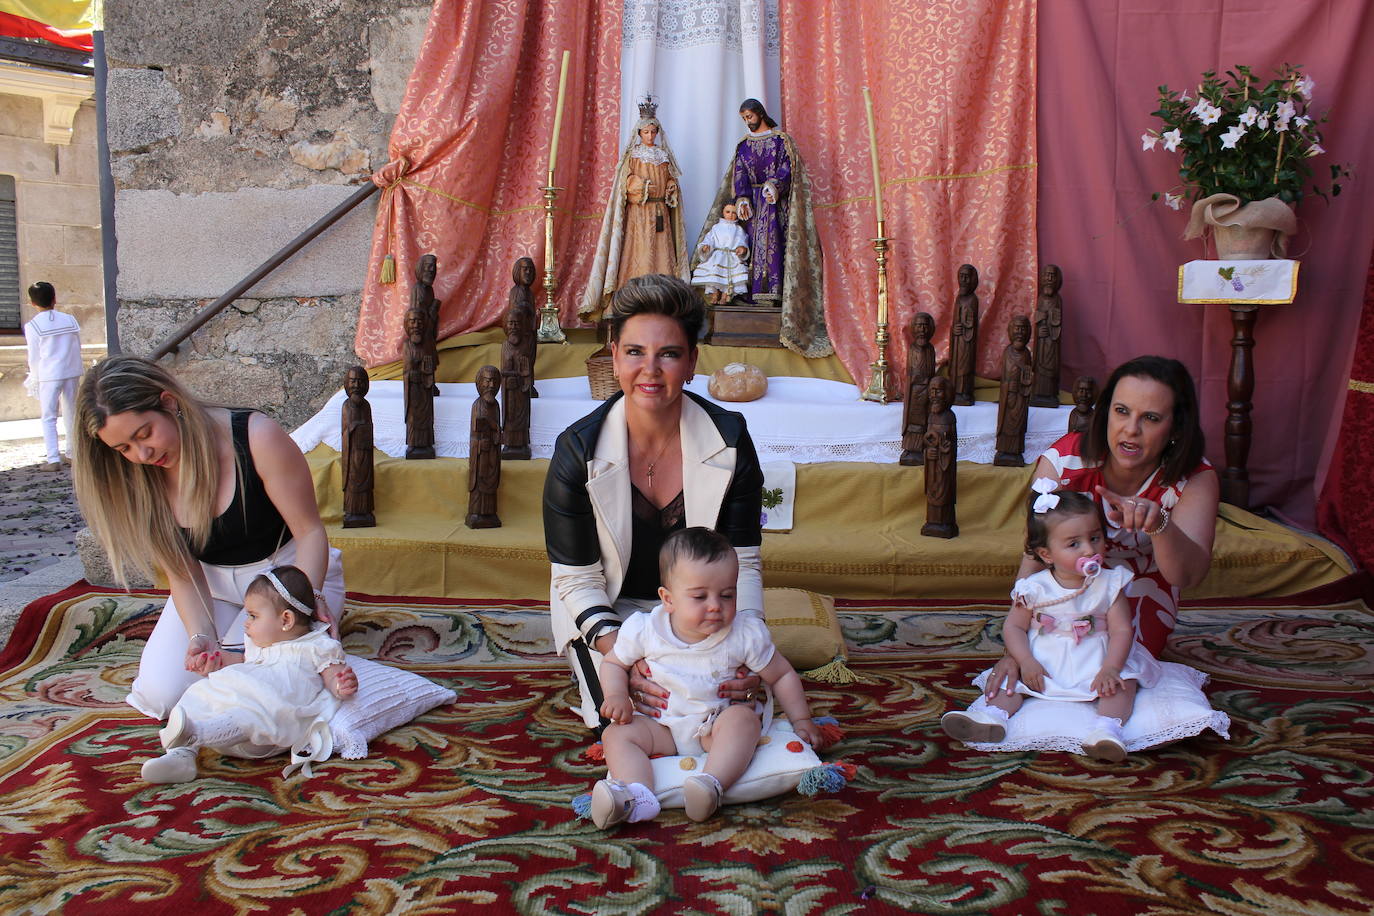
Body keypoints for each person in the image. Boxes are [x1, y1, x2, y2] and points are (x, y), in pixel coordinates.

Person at [544, 274, 766, 732]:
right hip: (608, 613)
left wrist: (743, 648)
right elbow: (576, 579)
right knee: (632, 724)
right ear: (614, 356)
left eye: (668, 353)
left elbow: (743, 564)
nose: (650, 369)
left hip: (702, 611)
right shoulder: (576, 450)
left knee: (738, 718)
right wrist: (625, 656)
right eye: (634, 352)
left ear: (691, 362)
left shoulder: (731, 440)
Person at [71, 355, 345, 720]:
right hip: (210, 588)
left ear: (169, 403)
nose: (141, 454)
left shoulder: (256, 437)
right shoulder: (139, 476)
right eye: (124, 449)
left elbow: (310, 532)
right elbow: (183, 573)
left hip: (288, 578)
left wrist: (300, 606)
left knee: (253, 688)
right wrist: (201, 635)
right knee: (162, 695)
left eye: (144, 434)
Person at [985, 356, 1219, 700]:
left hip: (1141, 585)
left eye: (1150, 418)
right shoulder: (1064, 462)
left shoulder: (1195, 479)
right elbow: (1036, 555)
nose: (1130, 429)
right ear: (1106, 411)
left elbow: (1188, 576)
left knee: (1124, 668)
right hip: (1061, 582)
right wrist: (1015, 651)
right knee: (1044, 660)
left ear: (1176, 427)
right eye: (1121, 411)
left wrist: (1159, 525)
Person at [590, 527, 822, 826]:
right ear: (668, 599)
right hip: (662, 726)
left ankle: (711, 784)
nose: (716, 605)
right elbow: (612, 664)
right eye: (700, 596)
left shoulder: (743, 634)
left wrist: (801, 719)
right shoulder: (644, 629)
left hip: (717, 725)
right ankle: (636, 795)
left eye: (727, 595)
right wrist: (617, 696)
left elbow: (782, 674)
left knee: (743, 721)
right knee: (616, 734)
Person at [941, 487, 1162, 761]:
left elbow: (1121, 629)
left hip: (1097, 653)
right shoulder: (1033, 587)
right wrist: (1025, 660)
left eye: (1095, 537)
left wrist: (1111, 667)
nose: (1090, 549)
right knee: (1014, 683)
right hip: (1046, 654)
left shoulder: (1110, 582)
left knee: (1122, 684)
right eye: (1074, 544)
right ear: (1046, 554)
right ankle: (990, 718)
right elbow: (1014, 627)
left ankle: (1106, 730)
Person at [141, 566, 358, 783]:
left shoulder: (317, 645)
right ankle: (181, 758)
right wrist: (216, 661)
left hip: (267, 733)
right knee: (201, 693)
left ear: (286, 620)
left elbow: (332, 673)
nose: (246, 623)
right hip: (228, 731)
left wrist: (341, 684)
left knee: (251, 710)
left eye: (253, 616)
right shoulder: (258, 644)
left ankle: (194, 734)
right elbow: (243, 661)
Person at [696, 99, 831, 357]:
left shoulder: (781, 141)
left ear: (760, 114)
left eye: (750, 115)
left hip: (773, 204)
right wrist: (743, 198)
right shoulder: (744, 146)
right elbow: (739, 174)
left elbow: (787, 168)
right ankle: (745, 293)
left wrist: (774, 186)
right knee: (745, 247)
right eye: (743, 117)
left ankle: (774, 294)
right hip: (752, 208)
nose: (747, 121)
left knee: (772, 248)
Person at [579, 99, 689, 322]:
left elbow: (671, 180)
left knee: (661, 254)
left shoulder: (664, 156)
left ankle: (663, 304)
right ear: (639, 133)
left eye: (653, 132)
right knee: (637, 253)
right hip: (639, 215)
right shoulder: (633, 156)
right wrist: (640, 186)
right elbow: (624, 183)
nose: (650, 136)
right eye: (646, 132)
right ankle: (632, 303)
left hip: (660, 214)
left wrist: (670, 187)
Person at [23, 281, 83, 471]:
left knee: (49, 416)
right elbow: (77, 346)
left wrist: (35, 377)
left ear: (32, 303)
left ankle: (53, 458)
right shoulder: (70, 320)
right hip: (71, 370)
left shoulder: (33, 325)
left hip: (49, 374)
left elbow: (34, 355)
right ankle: (73, 454)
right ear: (55, 298)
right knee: (71, 412)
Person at [690, 202, 750, 304]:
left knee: (728, 278)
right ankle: (715, 295)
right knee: (715, 274)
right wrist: (706, 246)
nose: (730, 215)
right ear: (723, 212)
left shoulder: (739, 229)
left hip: (731, 256)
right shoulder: (716, 227)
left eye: (734, 213)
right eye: (728, 212)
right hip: (718, 255)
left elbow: (742, 240)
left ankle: (724, 296)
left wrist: (742, 248)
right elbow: (710, 239)